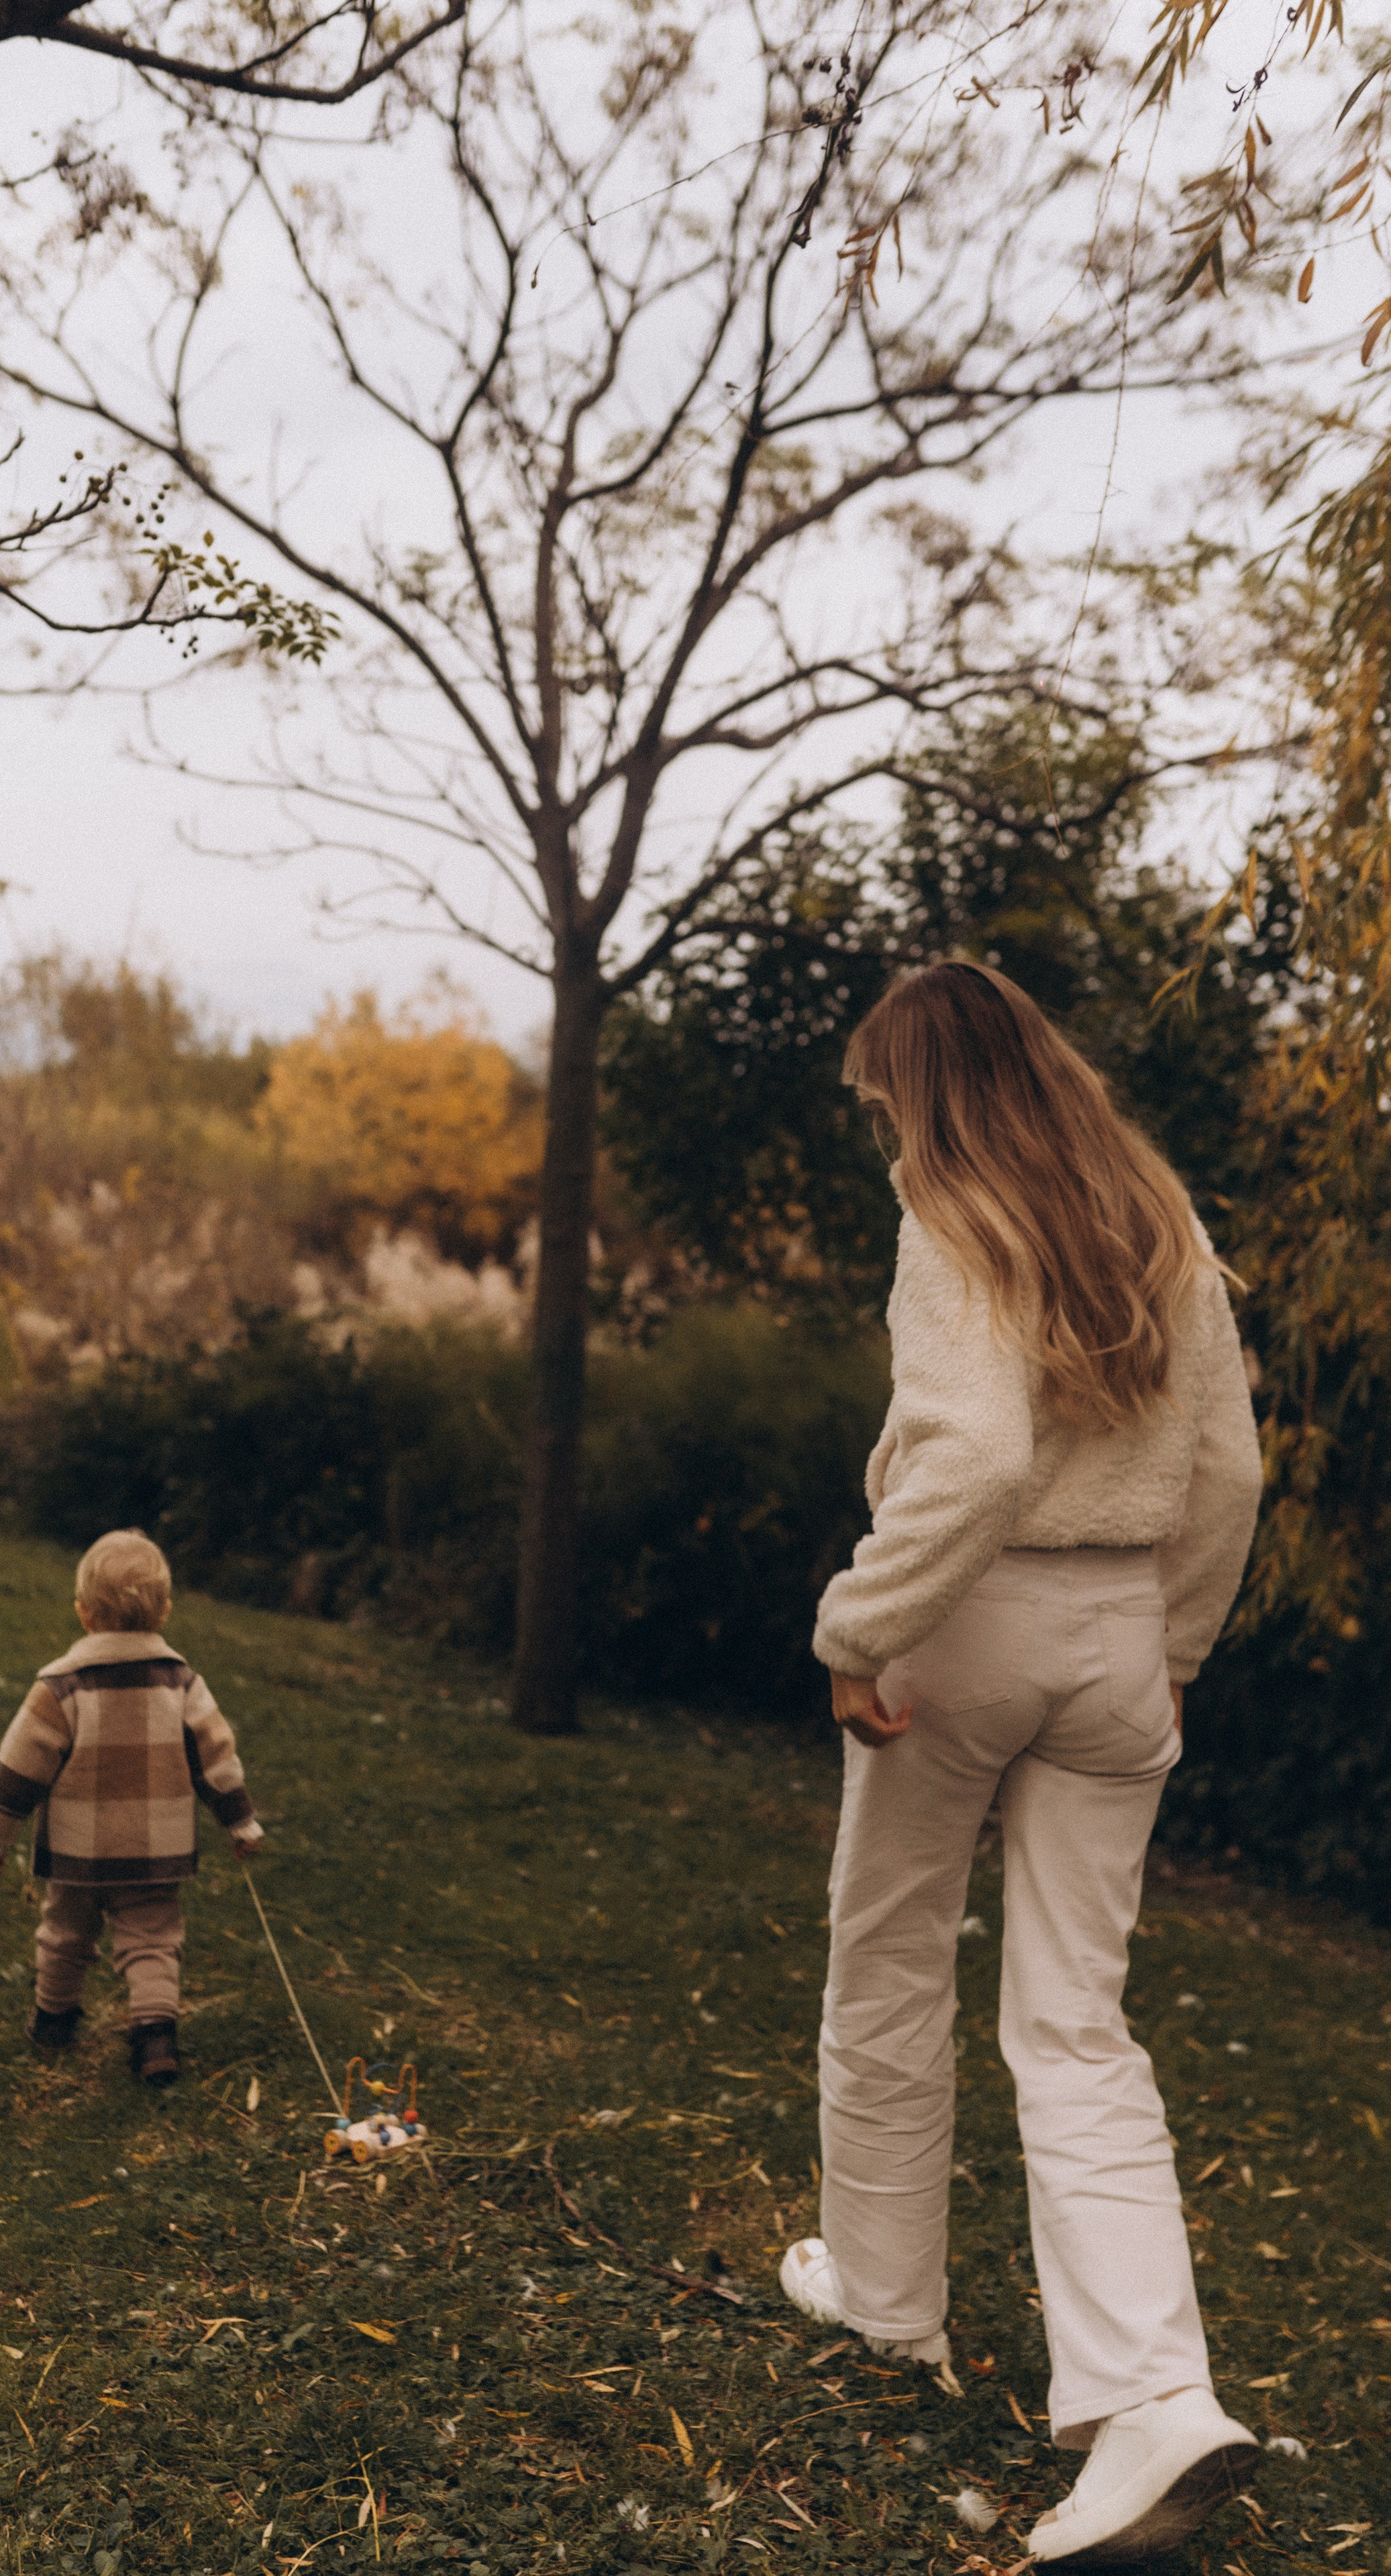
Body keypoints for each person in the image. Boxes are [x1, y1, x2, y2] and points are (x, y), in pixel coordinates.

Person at [780, 963, 1264, 2566]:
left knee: (888, 1953)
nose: (879, 1137)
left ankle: (885, 2297)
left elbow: (976, 1454)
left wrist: (860, 1625)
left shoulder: (951, 1217)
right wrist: (1164, 1651)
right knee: (1073, 2018)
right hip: (1122, 1631)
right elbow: (1227, 1473)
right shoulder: (1152, 1214)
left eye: (877, 1107)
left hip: (966, 1623)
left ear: (920, 1095)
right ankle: (1151, 2398)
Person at [0, 1527, 262, 2086]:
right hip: (157, 1849)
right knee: (153, 1939)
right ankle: (155, 2036)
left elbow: (20, 1766)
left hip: (77, 1852)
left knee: (64, 1933)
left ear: (84, 1614)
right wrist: (240, 1820)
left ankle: (54, 2022)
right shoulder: (182, 1685)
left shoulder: (61, 1688)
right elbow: (216, 1758)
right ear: (166, 1613)